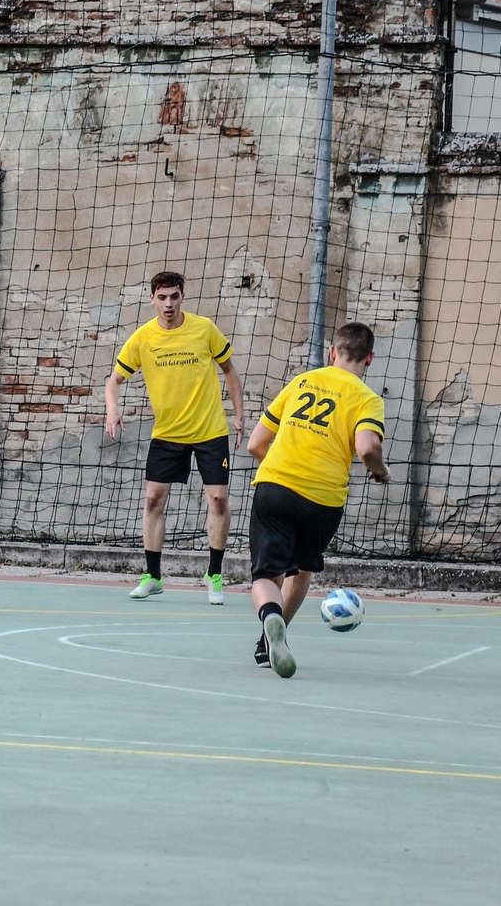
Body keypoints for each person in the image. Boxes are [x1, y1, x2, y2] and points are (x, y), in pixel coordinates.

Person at [244, 322, 389, 678]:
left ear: (332, 352)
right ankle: (268, 644)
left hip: (276, 487)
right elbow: (367, 448)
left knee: (266, 575)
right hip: (323, 499)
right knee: (302, 571)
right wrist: (380, 471)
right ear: (369, 359)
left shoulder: (302, 382)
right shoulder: (367, 399)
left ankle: (270, 619)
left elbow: (255, 444)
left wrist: (281, 472)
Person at [104, 270, 247, 604]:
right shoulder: (143, 337)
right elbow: (114, 380)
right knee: (153, 500)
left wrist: (239, 413)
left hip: (210, 431)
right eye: (162, 297)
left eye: (174, 297)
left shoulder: (204, 329)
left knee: (219, 500)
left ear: (182, 297)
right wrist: (112, 408)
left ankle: (214, 574)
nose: (168, 304)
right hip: (168, 433)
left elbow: (229, 370)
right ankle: (153, 576)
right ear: (152, 299)